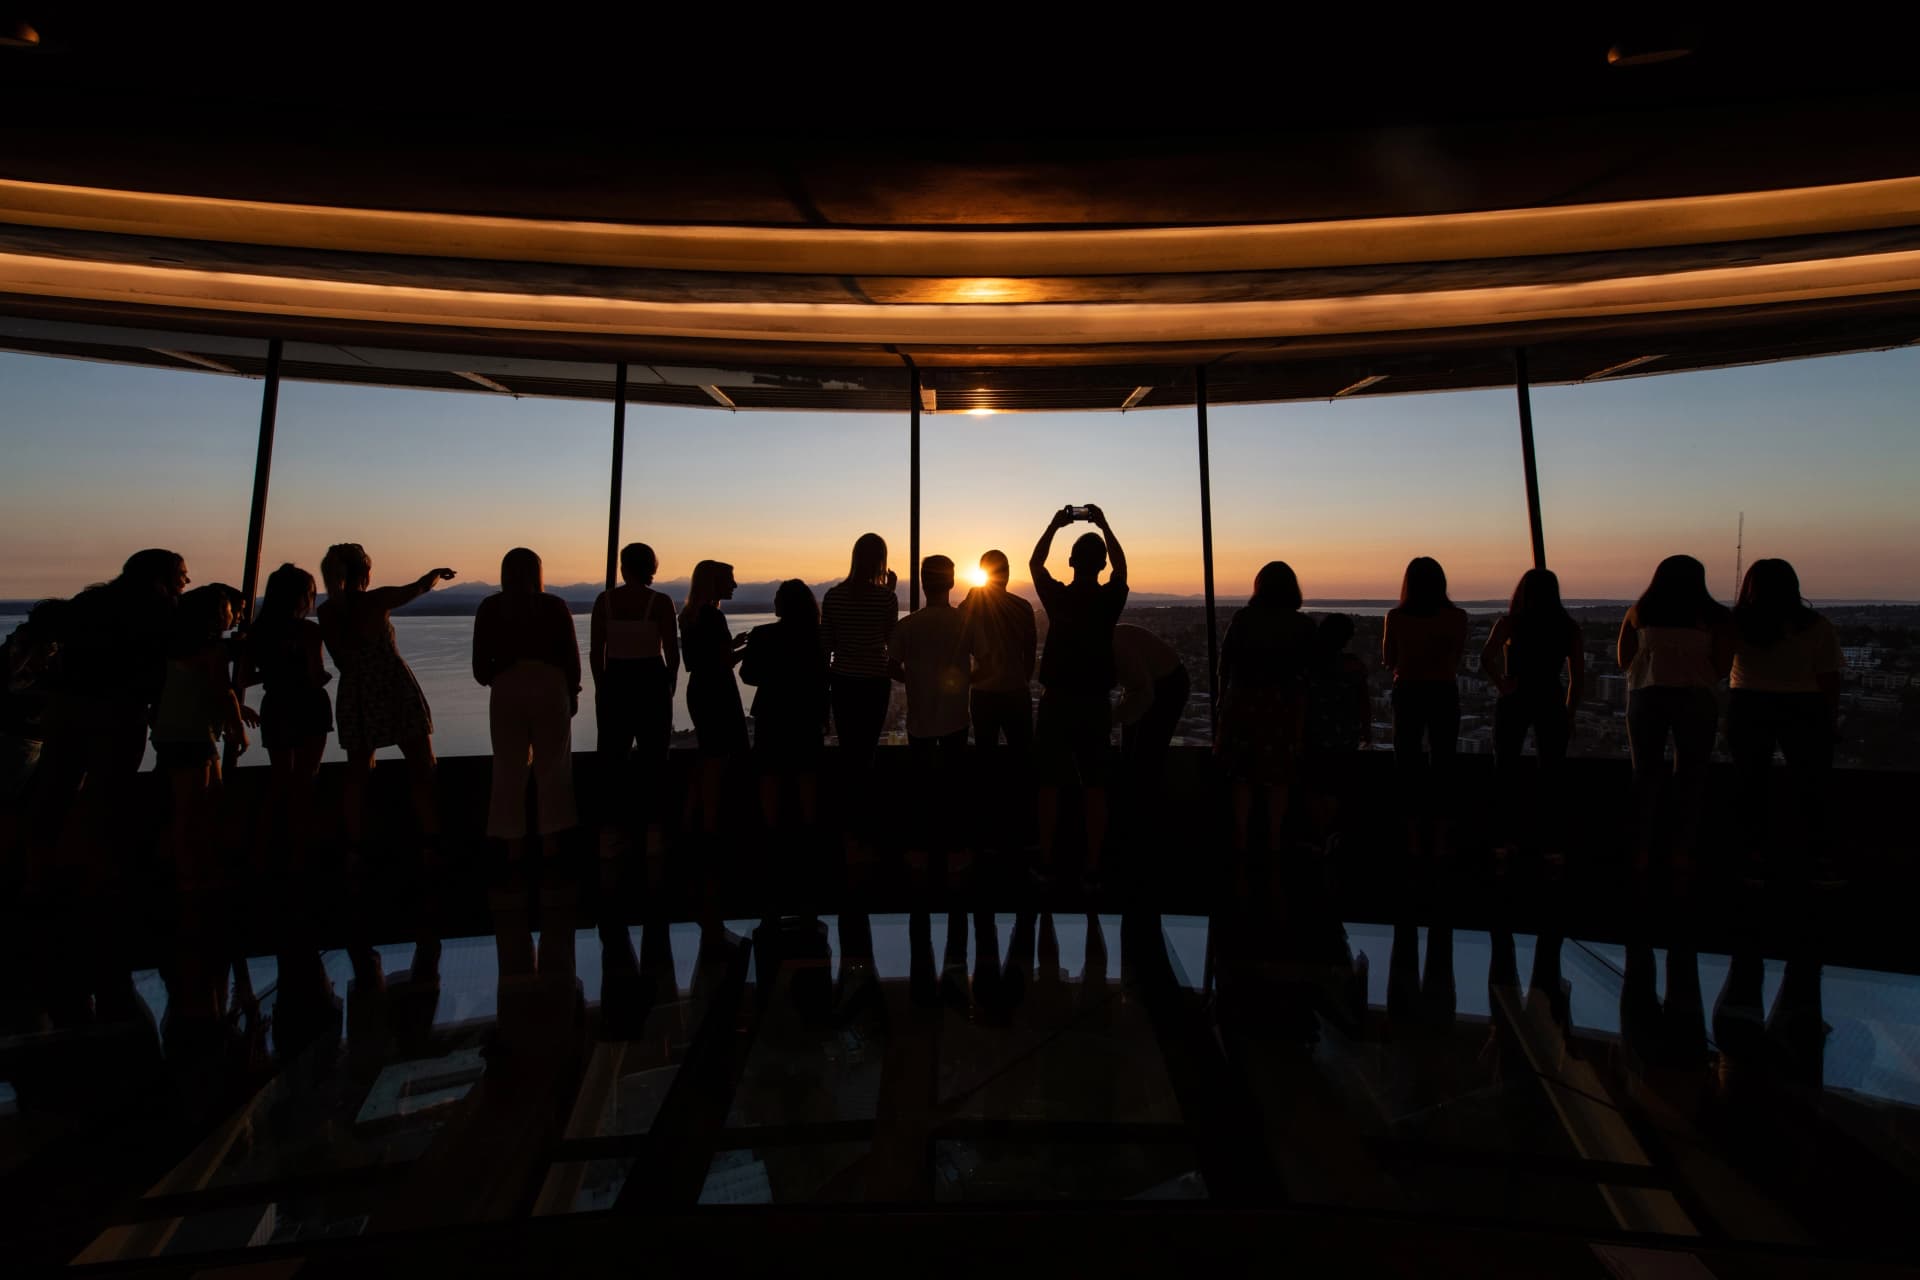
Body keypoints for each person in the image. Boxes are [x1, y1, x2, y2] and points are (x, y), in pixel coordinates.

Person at [31, 549, 187, 869]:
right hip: (119, 713)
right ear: (162, 579)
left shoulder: (90, 603)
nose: (186, 581)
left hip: (68, 708)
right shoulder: (160, 613)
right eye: (181, 575)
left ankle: (38, 870)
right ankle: (94, 870)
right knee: (109, 795)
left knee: (56, 791)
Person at [317, 544, 455, 857]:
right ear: (364, 572)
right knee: (422, 763)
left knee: (358, 770)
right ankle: (432, 836)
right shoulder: (376, 600)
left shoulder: (327, 612)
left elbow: (341, 659)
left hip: (355, 692)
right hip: (393, 686)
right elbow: (418, 587)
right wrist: (436, 573)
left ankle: (356, 844)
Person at [1616, 554, 1735, 876]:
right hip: (1696, 697)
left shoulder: (1639, 613)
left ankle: (1640, 851)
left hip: (1647, 695)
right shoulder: (1717, 617)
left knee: (1644, 775)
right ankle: (1681, 852)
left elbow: (1623, 660)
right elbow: (1723, 665)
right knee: (1691, 777)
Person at [1029, 504, 1128, 888]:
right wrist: (1105, 524)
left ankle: (1046, 859)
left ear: (1071, 562)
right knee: (1096, 785)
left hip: (1057, 701)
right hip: (1094, 702)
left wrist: (1055, 524)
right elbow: (1121, 570)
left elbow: (1036, 564)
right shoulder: (1109, 600)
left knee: (1049, 784)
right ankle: (1093, 865)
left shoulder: (1059, 599)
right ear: (1101, 564)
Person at [1728, 558, 1843, 883]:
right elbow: (1829, 677)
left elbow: (1717, 665)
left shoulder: (1736, 625)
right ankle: (1819, 859)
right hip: (1804, 706)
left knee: (1750, 783)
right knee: (1812, 784)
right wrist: (1831, 717)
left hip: (1749, 704)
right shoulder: (1817, 626)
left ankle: (1752, 856)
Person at [473, 548, 580, 862]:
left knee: (507, 768)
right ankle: (551, 845)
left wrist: (500, 675)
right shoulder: (554, 606)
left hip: (506, 690)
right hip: (551, 688)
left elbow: (480, 669)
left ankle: (512, 848)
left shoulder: (490, 607)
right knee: (554, 767)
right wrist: (572, 693)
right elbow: (571, 657)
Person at [1481, 568, 1585, 866]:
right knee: (1552, 773)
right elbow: (1577, 677)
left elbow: (1486, 657)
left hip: (1515, 697)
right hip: (1550, 696)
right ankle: (1551, 846)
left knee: (1505, 769)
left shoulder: (1510, 623)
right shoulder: (1568, 627)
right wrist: (1570, 712)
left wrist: (1501, 683)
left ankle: (1504, 842)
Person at [151, 583, 251, 885]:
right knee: (193, 809)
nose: (234, 615)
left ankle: (187, 867)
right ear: (216, 615)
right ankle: (190, 874)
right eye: (230, 610)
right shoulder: (212, 651)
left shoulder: (176, 648)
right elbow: (225, 692)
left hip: (171, 732)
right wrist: (238, 728)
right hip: (193, 733)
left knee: (194, 803)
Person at [1217, 561, 1317, 858]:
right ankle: (1274, 839)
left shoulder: (1243, 619)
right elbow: (1311, 673)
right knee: (1279, 777)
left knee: (1242, 776)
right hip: (1284, 706)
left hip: (1244, 703)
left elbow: (1225, 665)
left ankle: (1241, 838)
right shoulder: (1302, 626)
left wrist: (1223, 702)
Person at [238, 563, 332, 868]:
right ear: (302, 597)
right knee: (306, 778)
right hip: (309, 706)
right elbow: (316, 675)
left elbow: (243, 678)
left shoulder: (257, 633)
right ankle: (300, 852)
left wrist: (273, 674)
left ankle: (261, 849)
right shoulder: (309, 631)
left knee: (280, 780)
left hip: (276, 705)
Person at [590, 542, 679, 855]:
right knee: (655, 760)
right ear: (652, 567)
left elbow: (596, 651)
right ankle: (654, 833)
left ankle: (609, 835)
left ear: (623, 567)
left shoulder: (605, 601)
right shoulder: (660, 602)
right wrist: (670, 684)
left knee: (612, 759)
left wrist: (601, 686)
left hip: (615, 680)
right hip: (652, 681)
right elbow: (672, 651)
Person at [889, 556, 973, 870]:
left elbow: (891, 665)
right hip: (956, 717)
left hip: (920, 719)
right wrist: (967, 681)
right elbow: (988, 659)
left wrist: (912, 679)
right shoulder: (964, 623)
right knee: (955, 788)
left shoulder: (908, 625)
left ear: (923, 584)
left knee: (920, 789)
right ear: (951, 582)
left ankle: (919, 851)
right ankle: (956, 852)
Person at [1383, 556, 1469, 860]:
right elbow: (1456, 656)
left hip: (1408, 691)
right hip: (1443, 691)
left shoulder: (1396, 617)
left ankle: (1412, 840)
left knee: (1406, 761)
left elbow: (1389, 659)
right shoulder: (1458, 617)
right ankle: (1441, 840)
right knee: (1443, 762)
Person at [820, 533, 899, 854]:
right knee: (867, 753)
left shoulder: (833, 596)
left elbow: (826, 646)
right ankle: (866, 826)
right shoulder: (886, 599)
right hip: (875, 682)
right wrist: (888, 594)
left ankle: (847, 828)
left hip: (843, 682)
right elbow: (891, 643)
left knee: (849, 752)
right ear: (881, 561)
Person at [961, 548, 1037, 852]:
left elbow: (959, 635)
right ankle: (1024, 830)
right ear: (1006, 574)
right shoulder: (1023, 606)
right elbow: (1030, 652)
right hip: (1016, 691)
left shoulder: (974, 602)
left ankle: (986, 830)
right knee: (1023, 761)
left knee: (985, 761)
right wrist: (1021, 677)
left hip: (984, 693)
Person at [741, 578, 830, 832]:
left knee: (769, 773)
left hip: (771, 712)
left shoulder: (762, 634)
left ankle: (770, 829)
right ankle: (809, 828)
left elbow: (748, 675)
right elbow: (823, 678)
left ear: (783, 604)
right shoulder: (817, 637)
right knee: (807, 773)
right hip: (807, 713)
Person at [679, 559, 749, 835]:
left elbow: (700, 658)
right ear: (714, 583)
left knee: (708, 755)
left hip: (699, 688)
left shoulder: (689, 615)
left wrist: (732, 645)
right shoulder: (713, 616)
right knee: (718, 759)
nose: (735, 585)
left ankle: (692, 818)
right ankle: (711, 823)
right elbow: (722, 661)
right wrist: (751, 649)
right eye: (730, 580)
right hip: (718, 691)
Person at [1301, 612, 1369, 855]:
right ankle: (1330, 835)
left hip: (1313, 732)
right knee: (1334, 786)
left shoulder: (1309, 665)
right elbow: (1363, 701)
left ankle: (1318, 836)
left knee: (1314, 785)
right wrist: (1366, 729)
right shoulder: (1354, 666)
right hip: (1344, 735)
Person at [1113, 622, 1188, 797]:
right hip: (1159, 680)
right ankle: (1140, 798)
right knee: (1140, 752)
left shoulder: (1114, 647)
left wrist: (1112, 717)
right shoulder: (1111, 641)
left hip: (1168, 684)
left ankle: (1141, 798)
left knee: (1146, 754)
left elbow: (1143, 692)